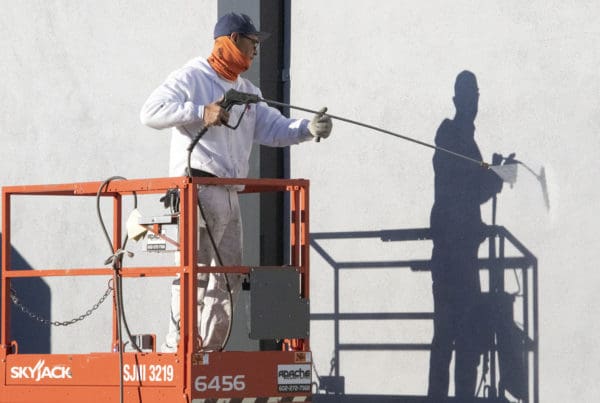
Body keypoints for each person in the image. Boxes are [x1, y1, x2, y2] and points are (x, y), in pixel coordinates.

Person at [139, 12, 332, 352]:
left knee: (227, 277)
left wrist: (307, 129)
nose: (256, 48)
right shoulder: (192, 77)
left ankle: (210, 353)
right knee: (192, 275)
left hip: (228, 193)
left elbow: (273, 127)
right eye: (251, 41)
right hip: (195, 190)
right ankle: (181, 348)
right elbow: (151, 112)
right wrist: (201, 112)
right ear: (230, 40)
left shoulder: (247, 91)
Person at [427, 70, 505, 400]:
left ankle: (454, 397)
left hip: (459, 253)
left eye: (475, 95)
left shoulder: (460, 140)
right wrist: (493, 178)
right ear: (460, 100)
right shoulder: (452, 138)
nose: (473, 102)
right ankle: (449, 398)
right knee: (452, 332)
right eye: (470, 96)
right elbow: (463, 189)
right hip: (453, 254)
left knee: (457, 333)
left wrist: (491, 176)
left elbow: (468, 187)